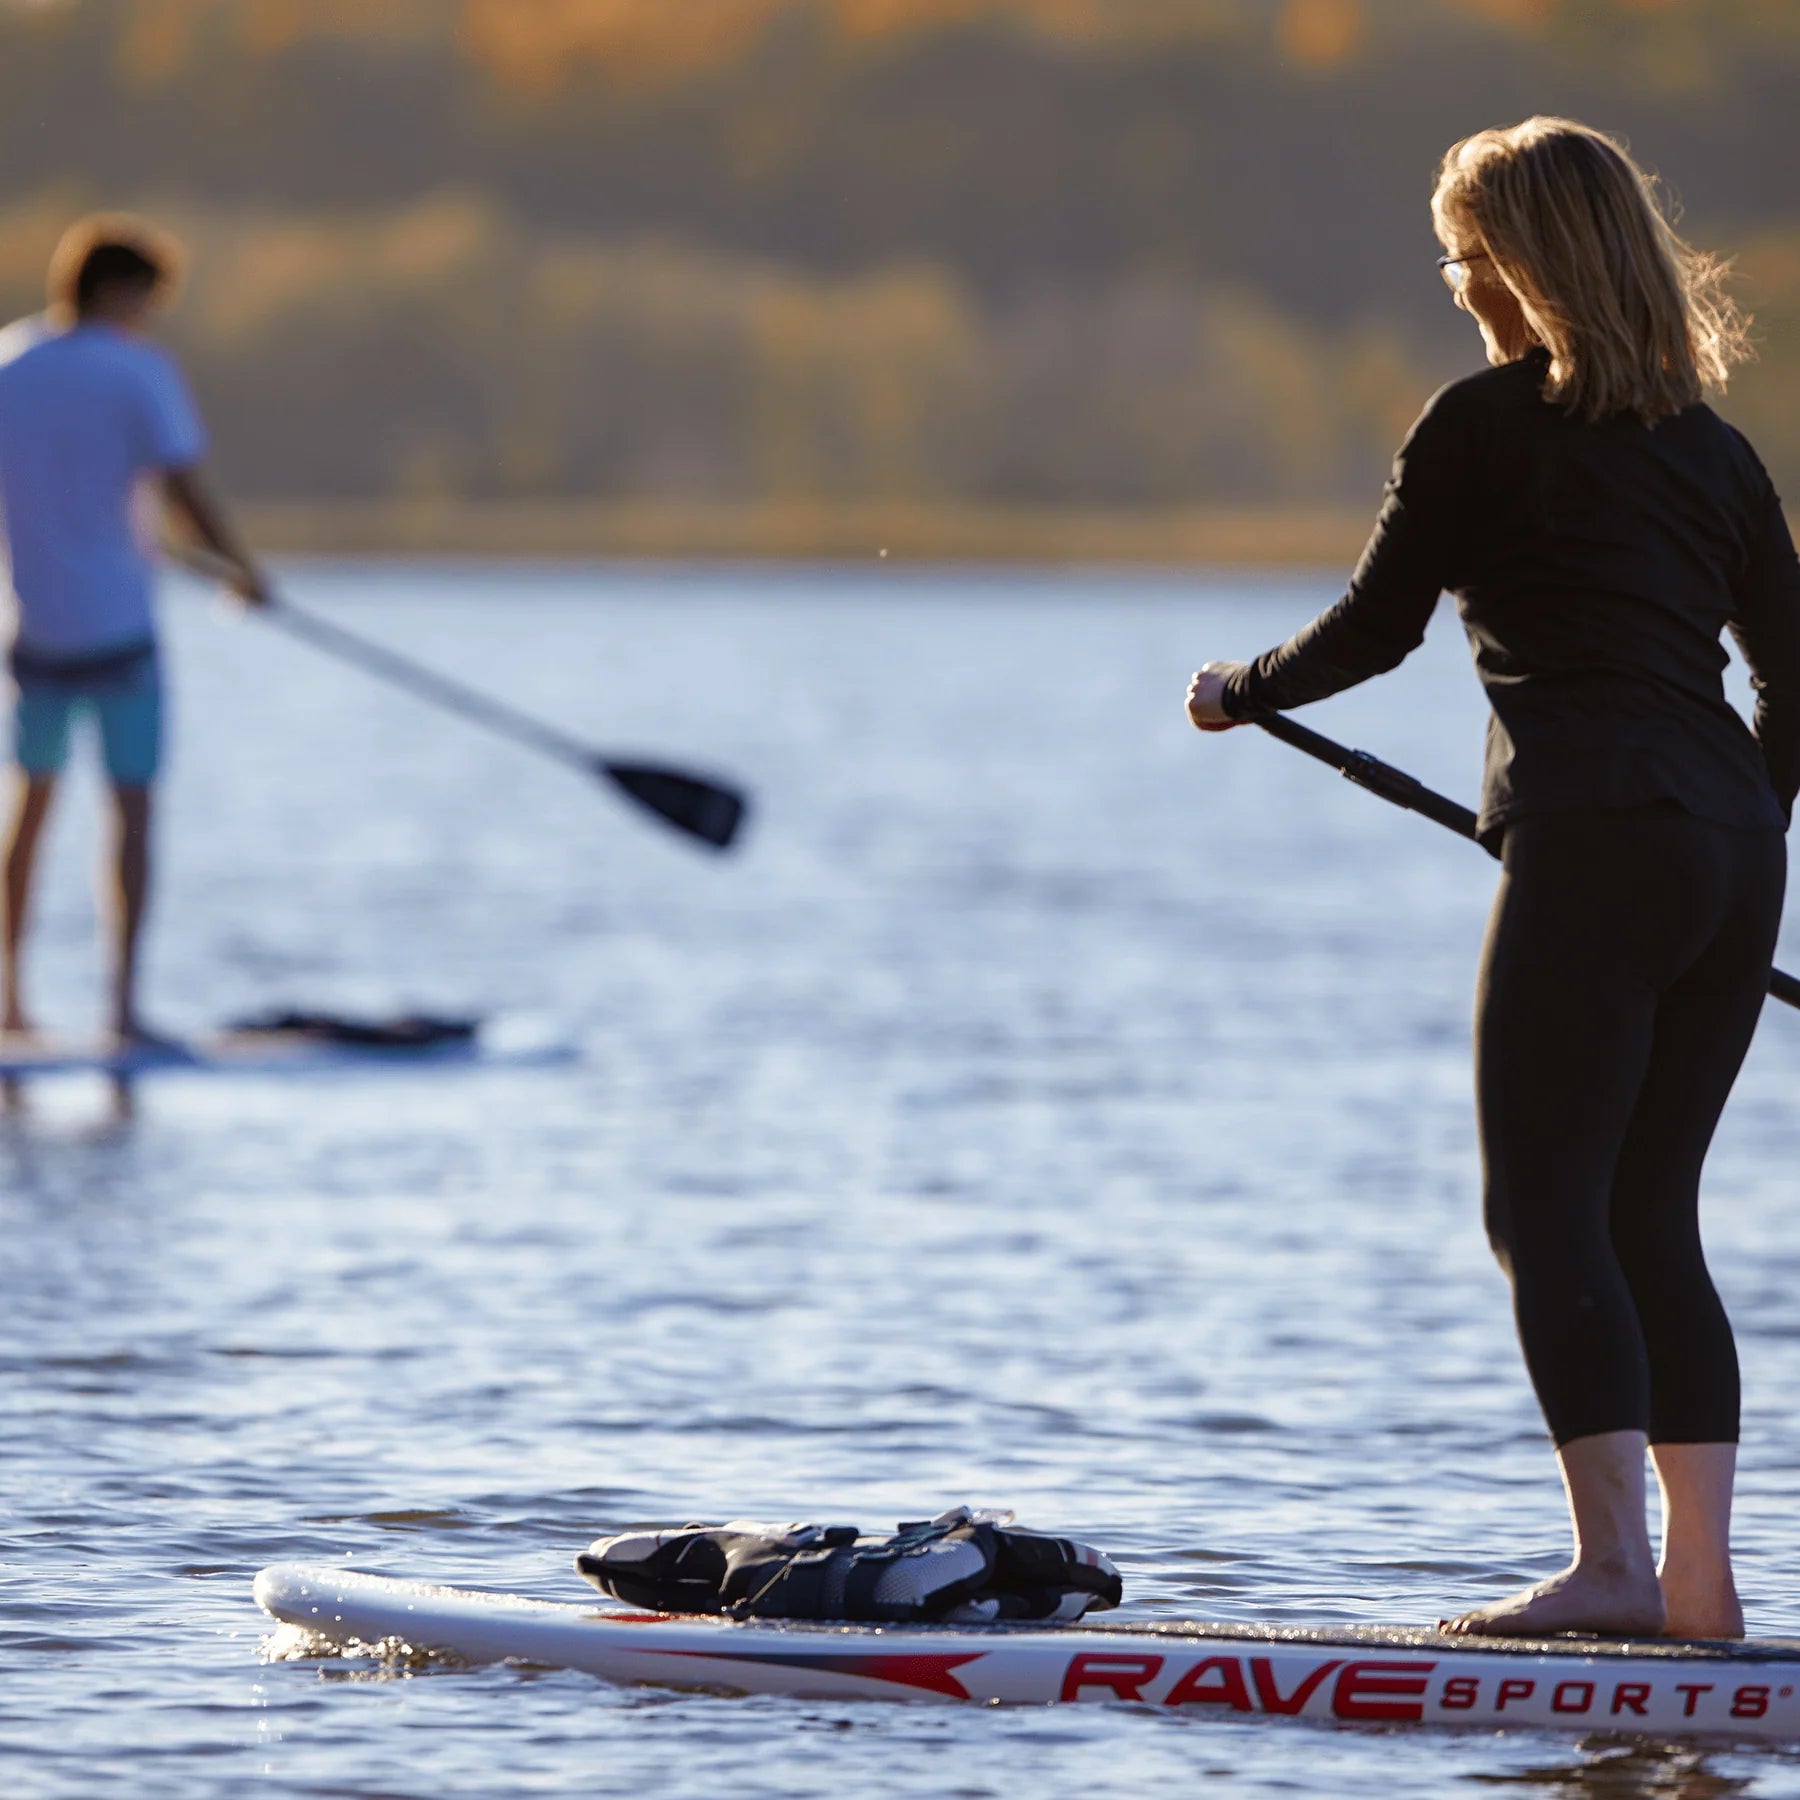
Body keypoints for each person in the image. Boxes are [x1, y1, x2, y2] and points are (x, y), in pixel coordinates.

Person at [1185, 118, 1800, 1640]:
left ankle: (1612, 1576)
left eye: (1467, 260)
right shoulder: (1717, 453)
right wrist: (1722, 817)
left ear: (1525, 270)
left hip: (1601, 841)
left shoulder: (1477, 426)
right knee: (1655, 1211)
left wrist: (1235, 690)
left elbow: (1373, 631)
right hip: (1732, 852)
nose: (1459, 289)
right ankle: (1702, 1590)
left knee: (1544, 1207)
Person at [0, 214, 267, 1047]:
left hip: (32, 629)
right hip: (119, 633)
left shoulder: (8, 360)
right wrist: (242, 575)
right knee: (132, 810)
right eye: (147, 300)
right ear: (120, 292)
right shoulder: (137, 371)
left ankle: (10, 1004)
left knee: (29, 807)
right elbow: (185, 488)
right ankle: (120, 1011)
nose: (149, 317)